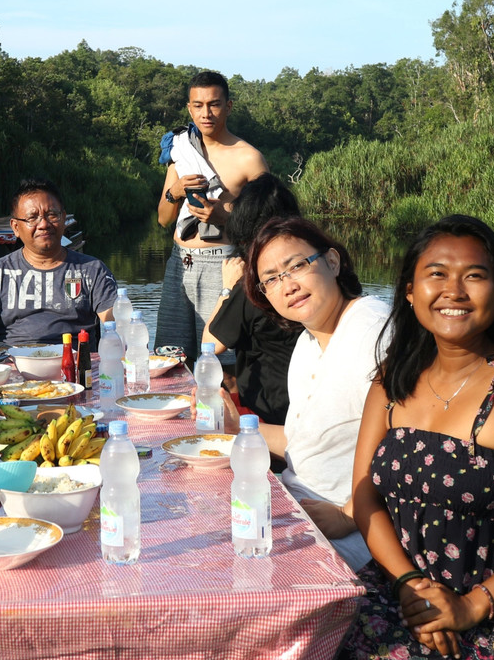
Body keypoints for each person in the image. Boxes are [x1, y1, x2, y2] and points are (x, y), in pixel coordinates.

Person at [333, 216, 494, 660]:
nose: (455, 290)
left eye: (474, 275)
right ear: (410, 292)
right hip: (395, 584)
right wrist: (408, 582)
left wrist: (470, 606)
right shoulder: (394, 378)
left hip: (493, 608)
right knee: (314, 643)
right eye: (437, 274)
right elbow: (366, 492)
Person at [237, 216, 389, 571]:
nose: (287, 286)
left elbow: (410, 445)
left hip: (352, 535)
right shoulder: (308, 341)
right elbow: (304, 441)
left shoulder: (375, 330)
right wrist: (237, 431)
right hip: (296, 503)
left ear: (332, 262)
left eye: (296, 267)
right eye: (271, 280)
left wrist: (351, 515)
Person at [155, 70, 269, 367]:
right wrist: (175, 191)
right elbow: (163, 220)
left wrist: (223, 217)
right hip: (179, 262)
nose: (206, 113)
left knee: (222, 363)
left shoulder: (249, 158)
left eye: (214, 104)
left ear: (228, 106)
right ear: (189, 107)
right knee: (170, 361)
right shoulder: (182, 150)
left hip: (225, 264)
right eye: (198, 105)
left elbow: (269, 224)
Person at [0, 179, 117, 350]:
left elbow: (117, 323)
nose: (43, 224)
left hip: (75, 366)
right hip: (14, 366)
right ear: (16, 227)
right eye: (32, 218)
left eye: (52, 215)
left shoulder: (92, 270)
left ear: (63, 219)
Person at [201, 173, 303, 424]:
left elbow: (210, 345)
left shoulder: (254, 283)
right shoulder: (310, 275)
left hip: (267, 412)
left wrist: (227, 288)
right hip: (306, 402)